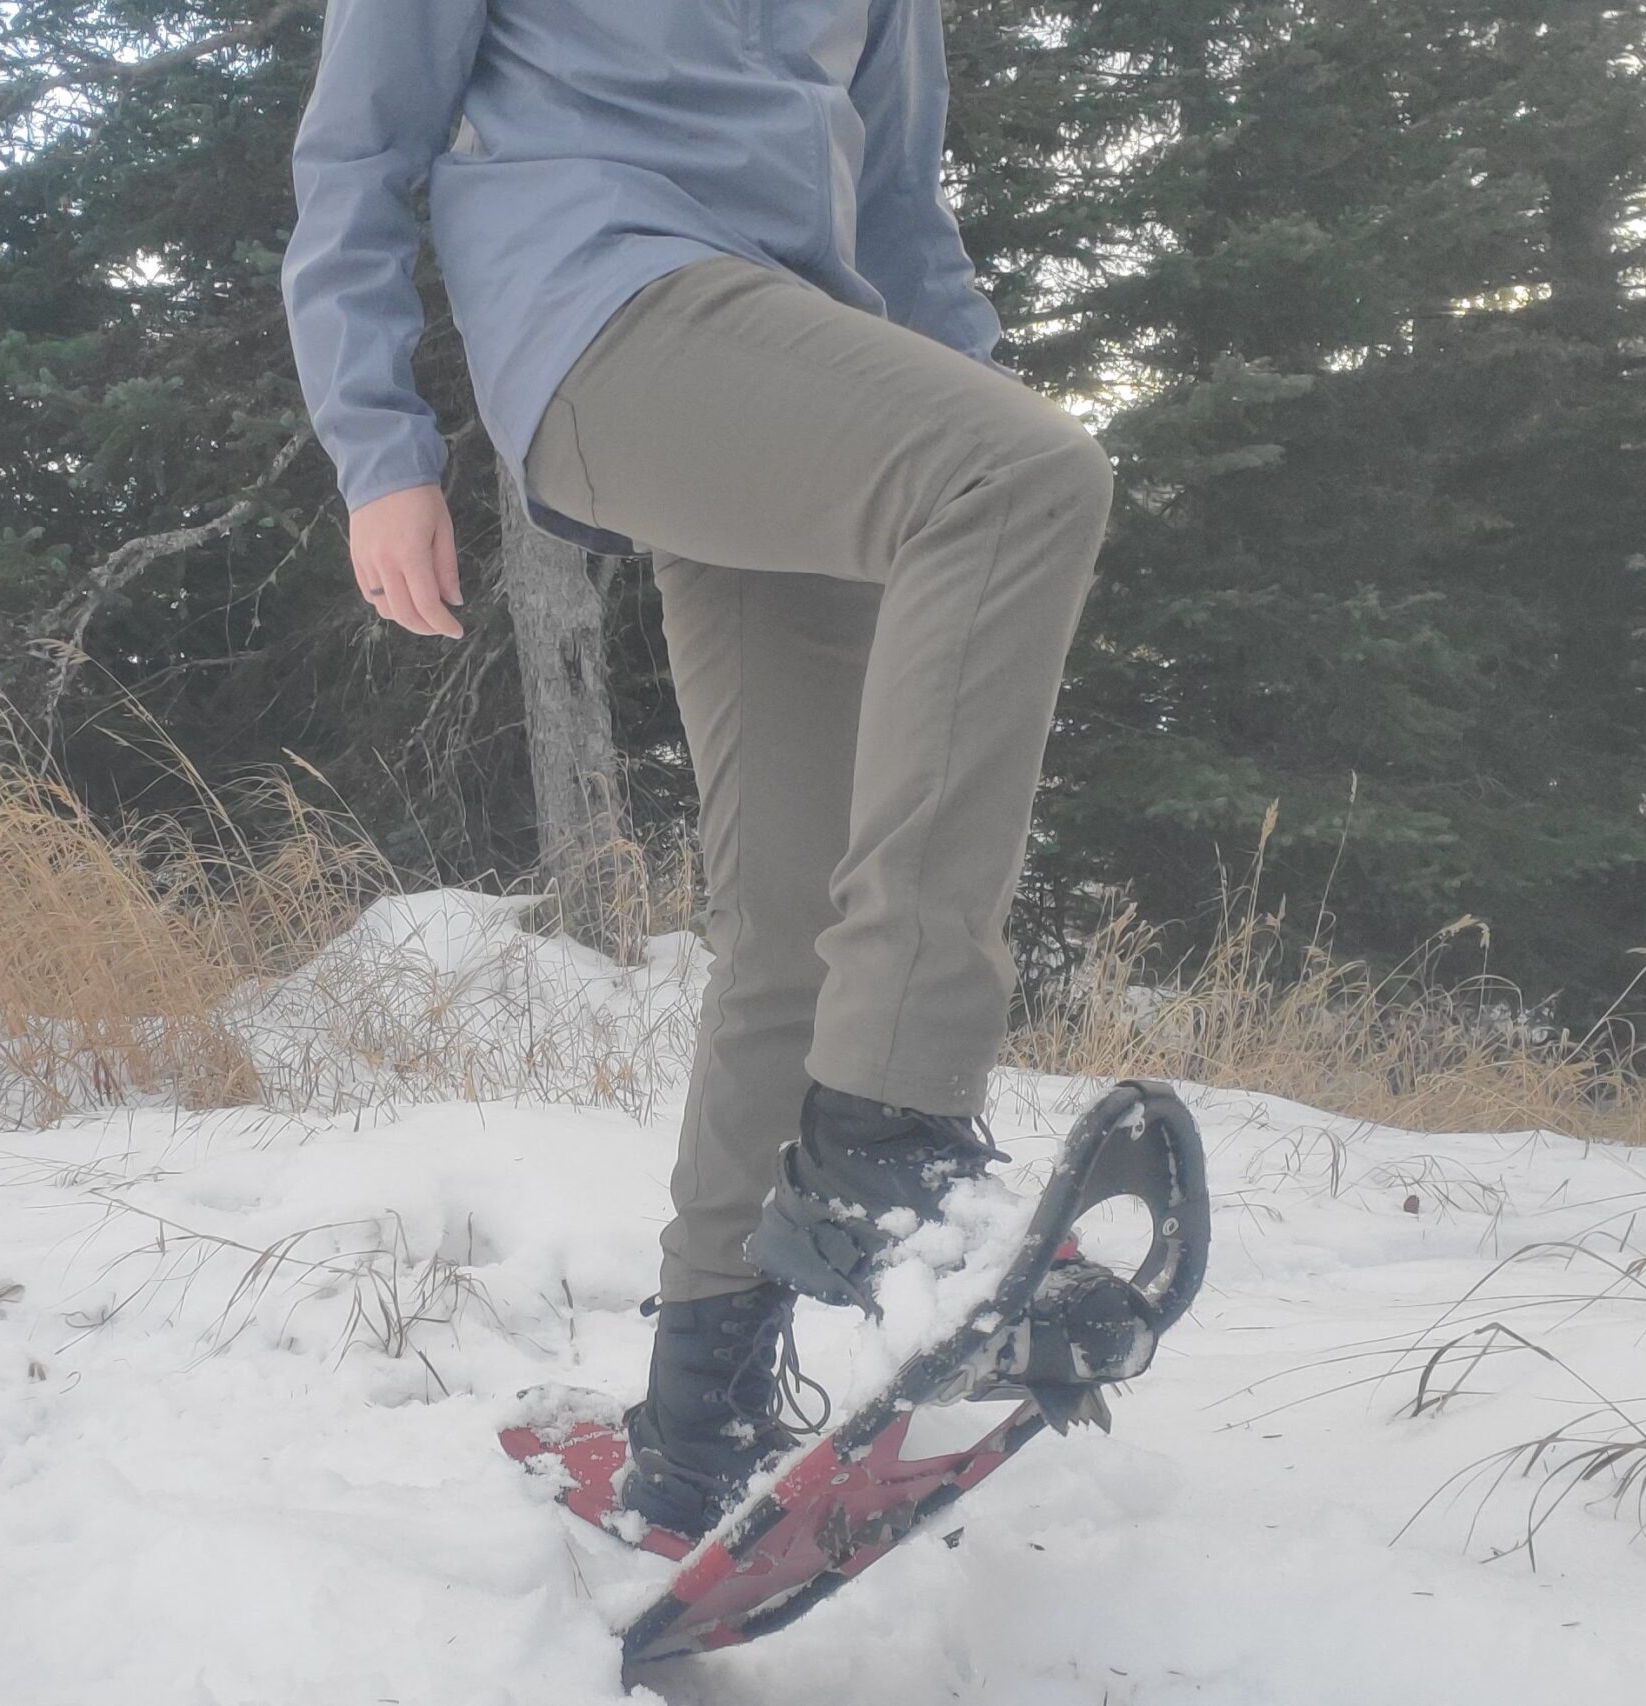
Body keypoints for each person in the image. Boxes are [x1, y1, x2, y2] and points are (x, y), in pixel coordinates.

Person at [281, 0, 1116, 1539]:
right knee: (1029, 470)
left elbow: (904, 206)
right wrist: (380, 450)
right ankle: (890, 1138)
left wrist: (954, 425)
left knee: (789, 915)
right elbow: (358, 148)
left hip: (811, 358)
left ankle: (693, 1428)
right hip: (606, 319)